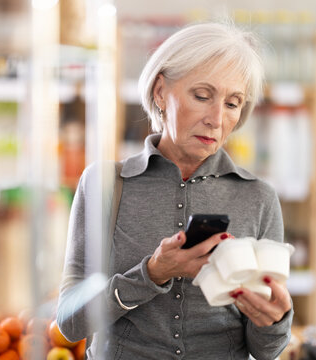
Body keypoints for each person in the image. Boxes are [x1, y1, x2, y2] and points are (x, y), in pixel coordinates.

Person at [57, 22, 293, 359]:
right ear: (159, 92)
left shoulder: (258, 197)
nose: (216, 118)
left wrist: (275, 321)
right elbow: (69, 321)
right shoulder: (104, 184)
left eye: (232, 103)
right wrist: (152, 273)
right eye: (202, 95)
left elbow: (266, 350)